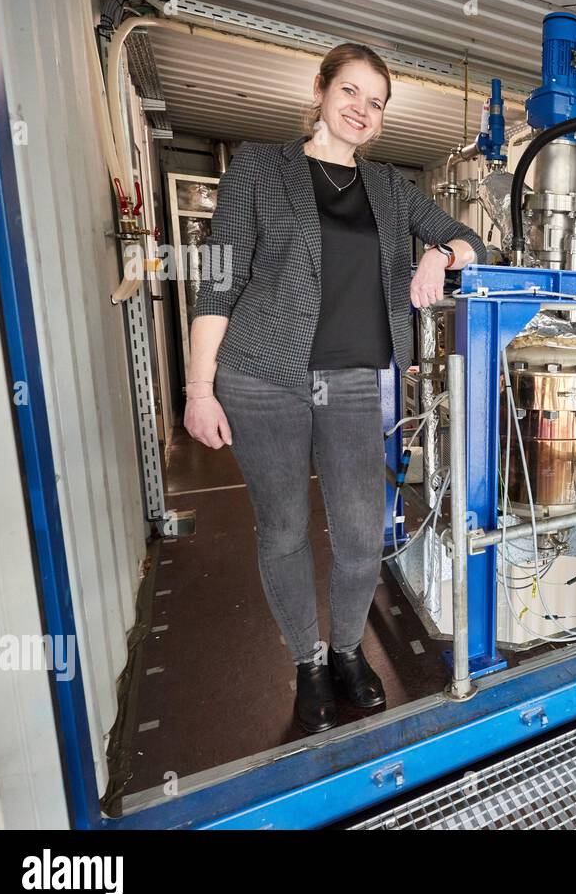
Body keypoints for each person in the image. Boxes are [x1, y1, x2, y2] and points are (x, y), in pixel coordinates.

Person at [184, 43, 485, 734]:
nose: (362, 110)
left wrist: (439, 254)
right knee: (284, 527)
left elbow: (470, 238)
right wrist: (200, 389)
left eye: (376, 102)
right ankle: (307, 661)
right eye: (351, 91)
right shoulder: (259, 169)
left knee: (358, 533)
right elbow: (218, 281)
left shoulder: (388, 188)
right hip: (263, 376)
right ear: (320, 90)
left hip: (353, 380)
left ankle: (349, 648)